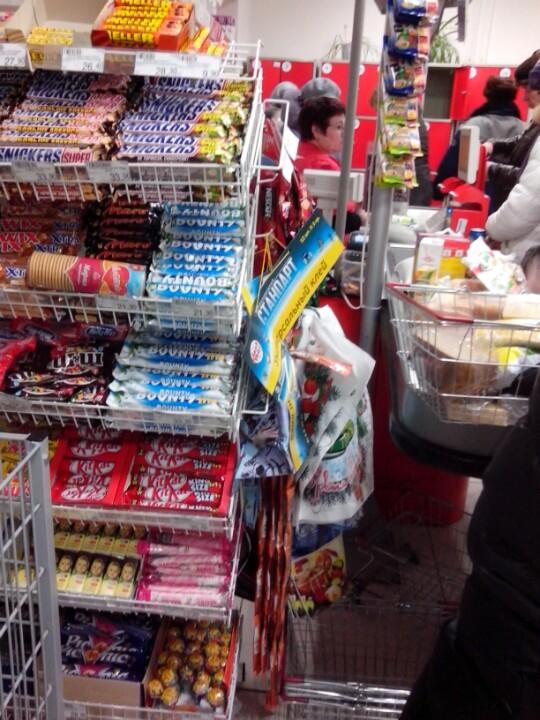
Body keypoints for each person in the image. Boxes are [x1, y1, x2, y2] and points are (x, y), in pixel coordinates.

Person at [434, 76, 524, 199]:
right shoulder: (522, 128)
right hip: (509, 194)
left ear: (487, 94)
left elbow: (453, 161)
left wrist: (439, 189)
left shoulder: (473, 124)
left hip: (475, 193)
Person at [295, 96, 363, 232]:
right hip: (322, 241)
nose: (345, 134)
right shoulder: (323, 165)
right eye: (339, 127)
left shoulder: (298, 154)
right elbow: (346, 210)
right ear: (316, 131)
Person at [484, 57, 540, 212]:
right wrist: (493, 145)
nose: (524, 97)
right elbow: (522, 141)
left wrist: (492, 169)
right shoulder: (536, 122)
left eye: (528, 89)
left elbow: (530, 180)